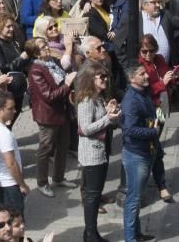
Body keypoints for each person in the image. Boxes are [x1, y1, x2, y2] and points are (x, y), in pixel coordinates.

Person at [25, 37, 77, 198]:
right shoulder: (36, 70)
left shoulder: (52, 62)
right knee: (45, 149)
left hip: (62, 111)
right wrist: (67, 85)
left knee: (63, 145)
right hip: (47, 115)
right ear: (35, 53)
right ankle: (42, 182)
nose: (47, 48)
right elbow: (48, 96)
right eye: (42, 47)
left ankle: (58, 178)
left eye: (46, 45)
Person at [74, 62, 119, 242]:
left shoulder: (99, 98)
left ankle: (91, 232)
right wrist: (108, 118)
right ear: (91, 79)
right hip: (92, 153)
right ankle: (90, 233)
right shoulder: (86, 101)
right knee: (92, 195)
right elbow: (85, 129)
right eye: (101, 77)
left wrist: (111, 113)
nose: (105, 79)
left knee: (96, 191)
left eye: (106, 76)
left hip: (101, 150)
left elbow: (107, 122)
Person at [121, 63, 159, 242]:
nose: (146, 76)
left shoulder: (143, 93)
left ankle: (136, 234)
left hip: (146, 151)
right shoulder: (131, 101)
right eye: (141, 73)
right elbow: (129, 130)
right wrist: (153, 132)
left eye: (145, 73)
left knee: (136, 196)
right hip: (136, 155)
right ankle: (130, 238)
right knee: (133, 200)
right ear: (132, 79)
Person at [0, 90, 29, 214]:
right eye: (10, 108)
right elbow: (11, 163)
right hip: (9, 185)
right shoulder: (4, 133)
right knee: (14, 223)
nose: (14, 111)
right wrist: (22, 185)